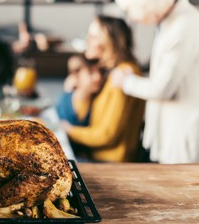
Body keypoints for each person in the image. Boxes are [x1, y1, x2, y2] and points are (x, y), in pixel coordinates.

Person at [112, 0, 199, 163]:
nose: (132, 18)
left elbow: (163, 88)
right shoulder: (171, 22)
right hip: (173, 127)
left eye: (131, 10)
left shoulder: (184, 26)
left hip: (185, 132)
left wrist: (126, 82)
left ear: (145, 4)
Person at [60, 15, 145, 162]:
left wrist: (69, 131)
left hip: (109, 163)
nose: (87, 40)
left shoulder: (123, 74)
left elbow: (107, 135)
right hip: (98, 156)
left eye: (93, 37)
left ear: (110, 43)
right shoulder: (110, 71)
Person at [56, 54, 103, 127]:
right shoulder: (64, 101)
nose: (98, 77)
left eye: (100, 72)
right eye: (90, 73)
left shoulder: (98, 102)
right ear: (75, 75)